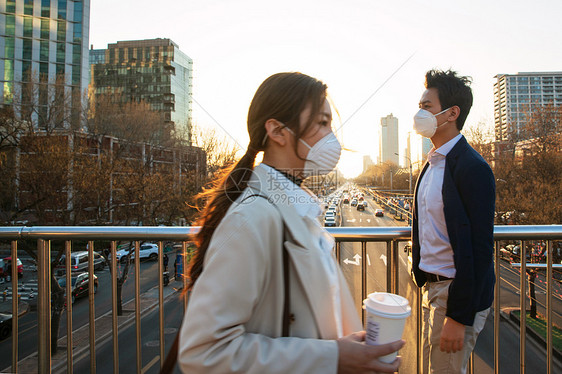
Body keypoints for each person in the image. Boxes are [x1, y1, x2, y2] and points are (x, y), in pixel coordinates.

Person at [176, 72, 404, 373]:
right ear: (278, 131)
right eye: (322, 122)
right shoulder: (252, 218)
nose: (332, 137)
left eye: (330, 124)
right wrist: (332, 357)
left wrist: (343, 351)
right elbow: (203, 351)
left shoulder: (298, 208)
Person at [411, 69, 495, 373]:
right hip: (432, 291)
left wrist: (458, 318)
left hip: (454, 295)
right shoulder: (433, 163)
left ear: (451, 113)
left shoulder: (472, 168)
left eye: (426, 106)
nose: (419, 113)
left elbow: (480, 249)